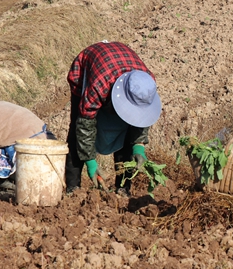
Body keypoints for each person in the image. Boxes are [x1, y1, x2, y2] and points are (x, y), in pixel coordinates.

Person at [65, 41, 162, 196]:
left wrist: (138, 145)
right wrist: (90, 161)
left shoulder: (147, 83)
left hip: (118, 63)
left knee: (127, 135)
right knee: (77, 129)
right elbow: (84, 125)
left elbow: (143, 115)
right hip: (90, 66)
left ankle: (123, 189)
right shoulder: (99, 86)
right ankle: (73, 189)